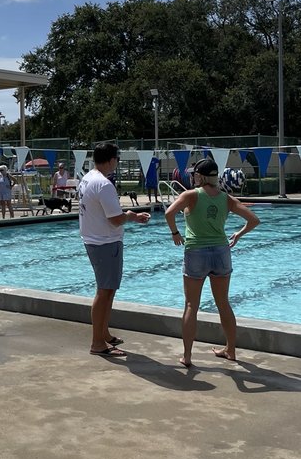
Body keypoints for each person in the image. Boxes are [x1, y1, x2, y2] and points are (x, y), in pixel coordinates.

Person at [165, 157, 260, 368]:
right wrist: (238, 234)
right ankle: (231, 350)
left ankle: (187, 356)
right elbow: (254, 220)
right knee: (223, 303)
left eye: (194, 174)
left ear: (200, 176)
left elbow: (169, 213)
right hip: (221, 252)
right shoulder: (226, 198)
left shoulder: (190, 195)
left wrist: (175, 233)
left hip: (196, 252)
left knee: (191, 305)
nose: (192, 177)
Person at [77, 142, 150, 357]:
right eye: (116, 159)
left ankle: (104, 333)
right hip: (105, 243)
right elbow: (116, 219)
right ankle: (97, 343)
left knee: (108, 290)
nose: (117, 162)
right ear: (111, 160)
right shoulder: (104, 184)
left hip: (94, 240)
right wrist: (132, 216)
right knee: (104, 291)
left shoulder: (87, 178)